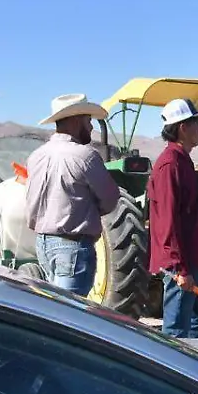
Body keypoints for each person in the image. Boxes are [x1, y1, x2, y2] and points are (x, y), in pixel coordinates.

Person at [26, 94, 119, 297]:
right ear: (76, 120)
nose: (92, 127)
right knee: (69, 315)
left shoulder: (36, 156)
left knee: (56, 306)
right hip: (72, 246)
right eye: (88, 121)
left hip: (43, 243)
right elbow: (111, 199)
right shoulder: (85, 156)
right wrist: (90, 209)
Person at [148, 98, 198, 338]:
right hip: (181, 265)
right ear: (183, 127)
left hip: (193, 258)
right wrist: (179, 268)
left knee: (196, 326)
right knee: (175, 332)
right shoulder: (169, 166)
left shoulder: (182, 161)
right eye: (197, 124)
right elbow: (167, 222)